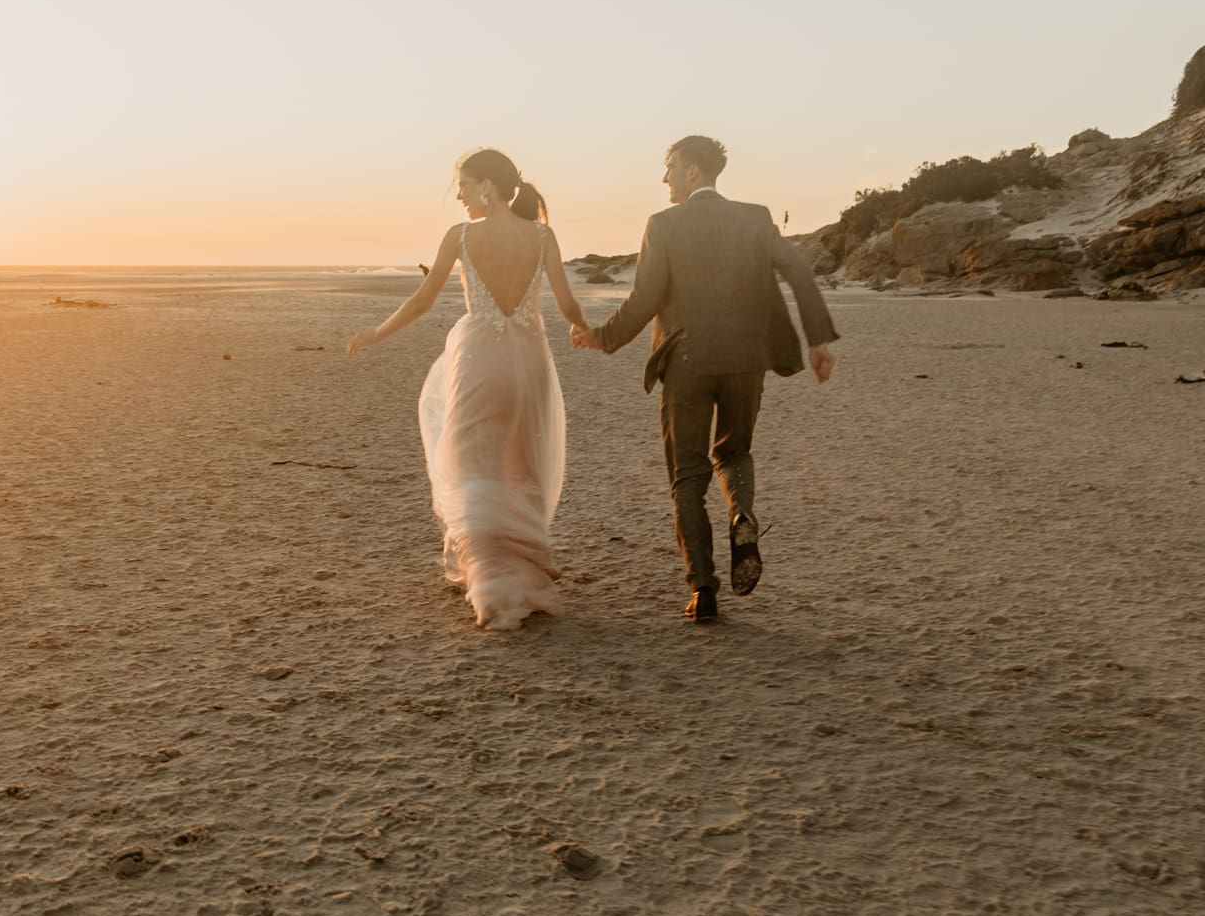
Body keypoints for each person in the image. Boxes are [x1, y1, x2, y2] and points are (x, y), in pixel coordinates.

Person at [574, 135, 838, 622]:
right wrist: (817, 340)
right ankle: (741, 514)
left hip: (687, 364)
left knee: (688, 476)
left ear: (693, 171)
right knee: (734, 452)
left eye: (670, 167)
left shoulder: (663, 225)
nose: (665, 177)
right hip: (746, 362)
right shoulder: (756, 217)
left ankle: (703, 590)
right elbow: (798, 272)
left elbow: (646, 298)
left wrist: (602, 337)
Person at [347, 149, 592, 630]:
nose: (458, 195)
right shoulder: (542, 235)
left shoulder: (461, 236)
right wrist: (584, 330)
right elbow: (566, 303)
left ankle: (492, 581)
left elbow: (422, 300)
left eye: (462, 184)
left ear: (486, 186)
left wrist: (377, 333)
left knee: (471, 462)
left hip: (479, 360)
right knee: (521, 461)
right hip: (529, 361)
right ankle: (520, 566)